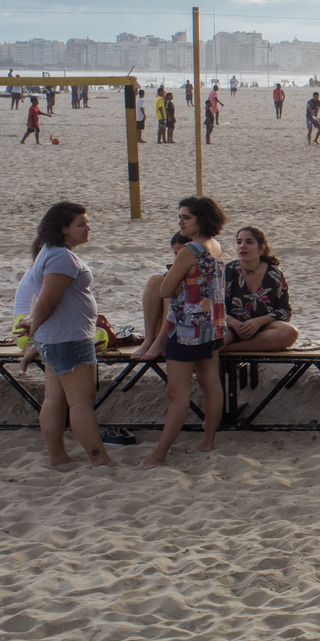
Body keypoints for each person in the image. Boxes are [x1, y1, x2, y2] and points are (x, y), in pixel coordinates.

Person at [16, 202, 117, 468]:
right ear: (63, 228)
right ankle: (100, 460)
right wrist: (35, 326)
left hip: (56, 337)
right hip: (68, 339)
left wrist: (36, 328)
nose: (88, 228)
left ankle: (58, 457)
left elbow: (43, 299)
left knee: (55, 400)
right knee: (81, 403)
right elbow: (47, 300)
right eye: (81, 224)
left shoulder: (48, 252)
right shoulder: (61, 257)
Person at [144, 196, 228, 468]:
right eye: (179, 217)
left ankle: (159, 455)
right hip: (213, 324)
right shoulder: (217, 246)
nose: (180, 222)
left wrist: (179, 285)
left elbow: (164, 290)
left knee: (177, 394)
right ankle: (207, 441)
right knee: (211, 383)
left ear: (201, 219)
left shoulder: (189, 250)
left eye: (186, 217)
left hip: (187, 328)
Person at [221, 226, 299, 352]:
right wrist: (235, 324)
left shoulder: (274, 273)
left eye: (249, 242)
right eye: (239, 242)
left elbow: (284, 310)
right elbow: (216, 308)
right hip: (232, 327)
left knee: (290, 332)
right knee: (215, 338)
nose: (242, 246)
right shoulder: (227, 271)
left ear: (261, 248)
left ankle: (231, 349)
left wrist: (259, 322)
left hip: (264, 329)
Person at [132, 231, 192, 361]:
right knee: (155, 279)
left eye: (180, 254)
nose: (177, 258)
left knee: (170, 286)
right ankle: (149, 339)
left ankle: (160, 341)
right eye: (175, 254)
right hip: (166, 326)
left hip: (187, 327)